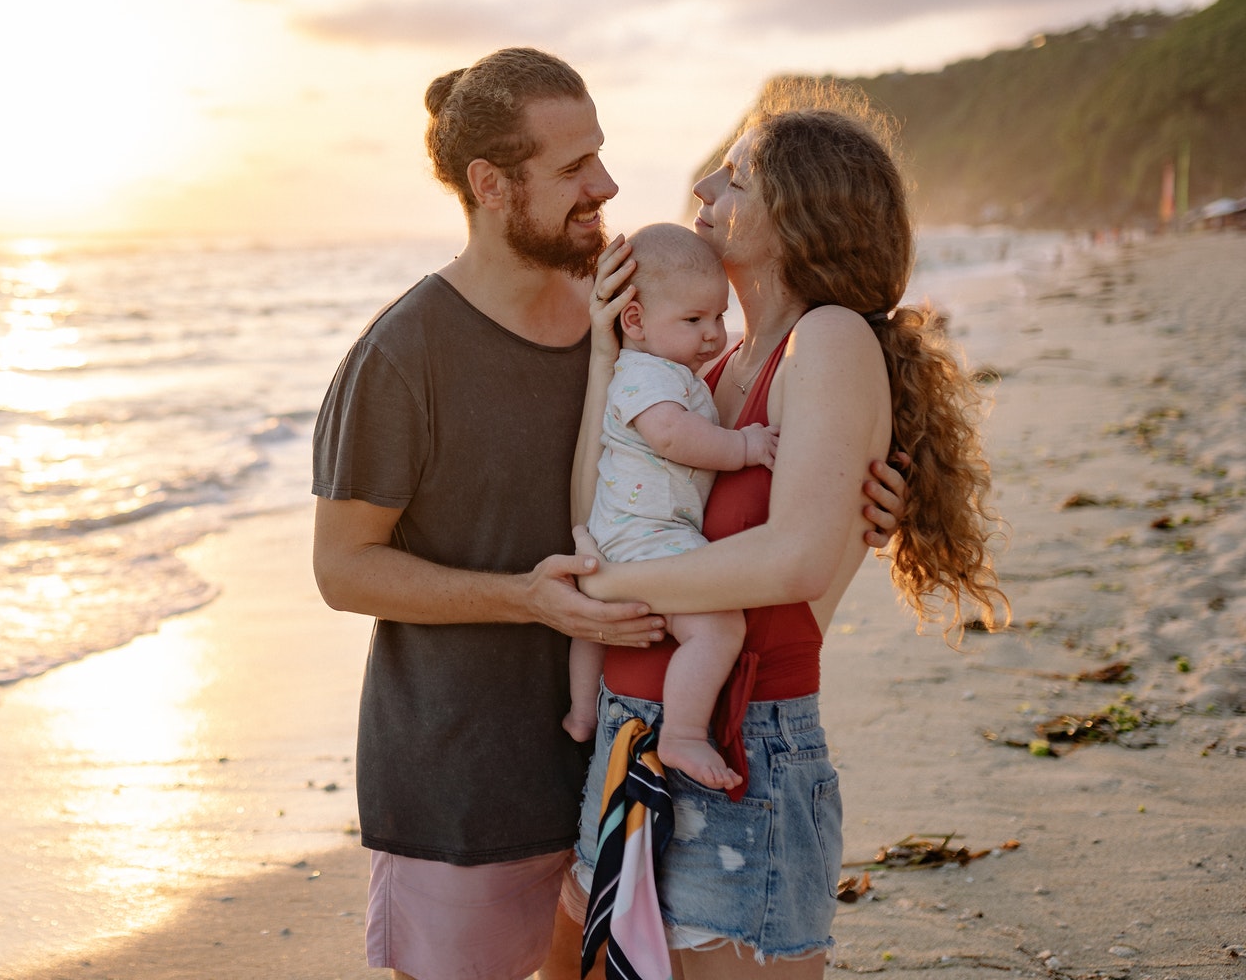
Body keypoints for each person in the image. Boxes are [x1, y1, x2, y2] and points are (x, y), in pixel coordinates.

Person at [311, 50, 909, 980]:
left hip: (624, 750)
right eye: (574, 168)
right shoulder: (403, 355)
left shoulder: (651, 319)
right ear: (491, 186)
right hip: (473, 773)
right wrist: (536, 598)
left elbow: (759, 514)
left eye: (603, 154)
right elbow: (343, 569)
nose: (611, 185)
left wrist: (857, 514)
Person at [560, 82, 1007, 979]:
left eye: (735, 179)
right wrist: (607, 358)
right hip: (631, 731)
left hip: (741, 747)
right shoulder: (710, 366)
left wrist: (596, 589)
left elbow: (796, 558)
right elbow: (596, 506)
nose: (704, 193)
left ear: (797, 214)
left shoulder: (830, 340)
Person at [563, 223, 774, 793]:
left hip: (621, 534)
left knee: (592, 627)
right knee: (719, 626)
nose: (712, 334)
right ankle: (682, 732)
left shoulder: (668, 372)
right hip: (649, 535)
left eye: (718, 317)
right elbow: (674, 438)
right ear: (633, 322)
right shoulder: (645, 376)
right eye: (693, 320)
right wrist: (745, 446)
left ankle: (583, 712)